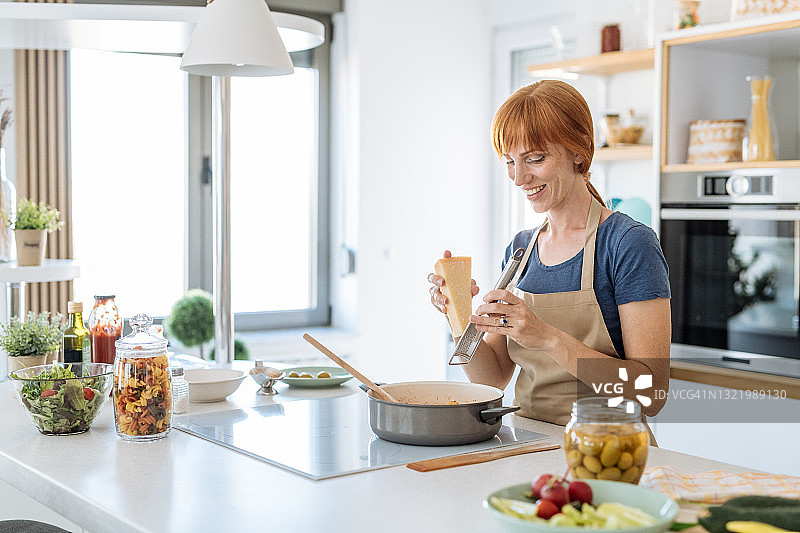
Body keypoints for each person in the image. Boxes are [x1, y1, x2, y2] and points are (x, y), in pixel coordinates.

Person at [427, 80, 670, 426]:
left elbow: (651, 394)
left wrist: (547, 338)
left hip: (607, 452)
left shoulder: (628, 244)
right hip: (527, 444)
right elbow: (492, 378)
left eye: (535, 159)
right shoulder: (520, 251)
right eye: (510, 161)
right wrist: (456, 311)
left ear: (579, 150)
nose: (519, 177)